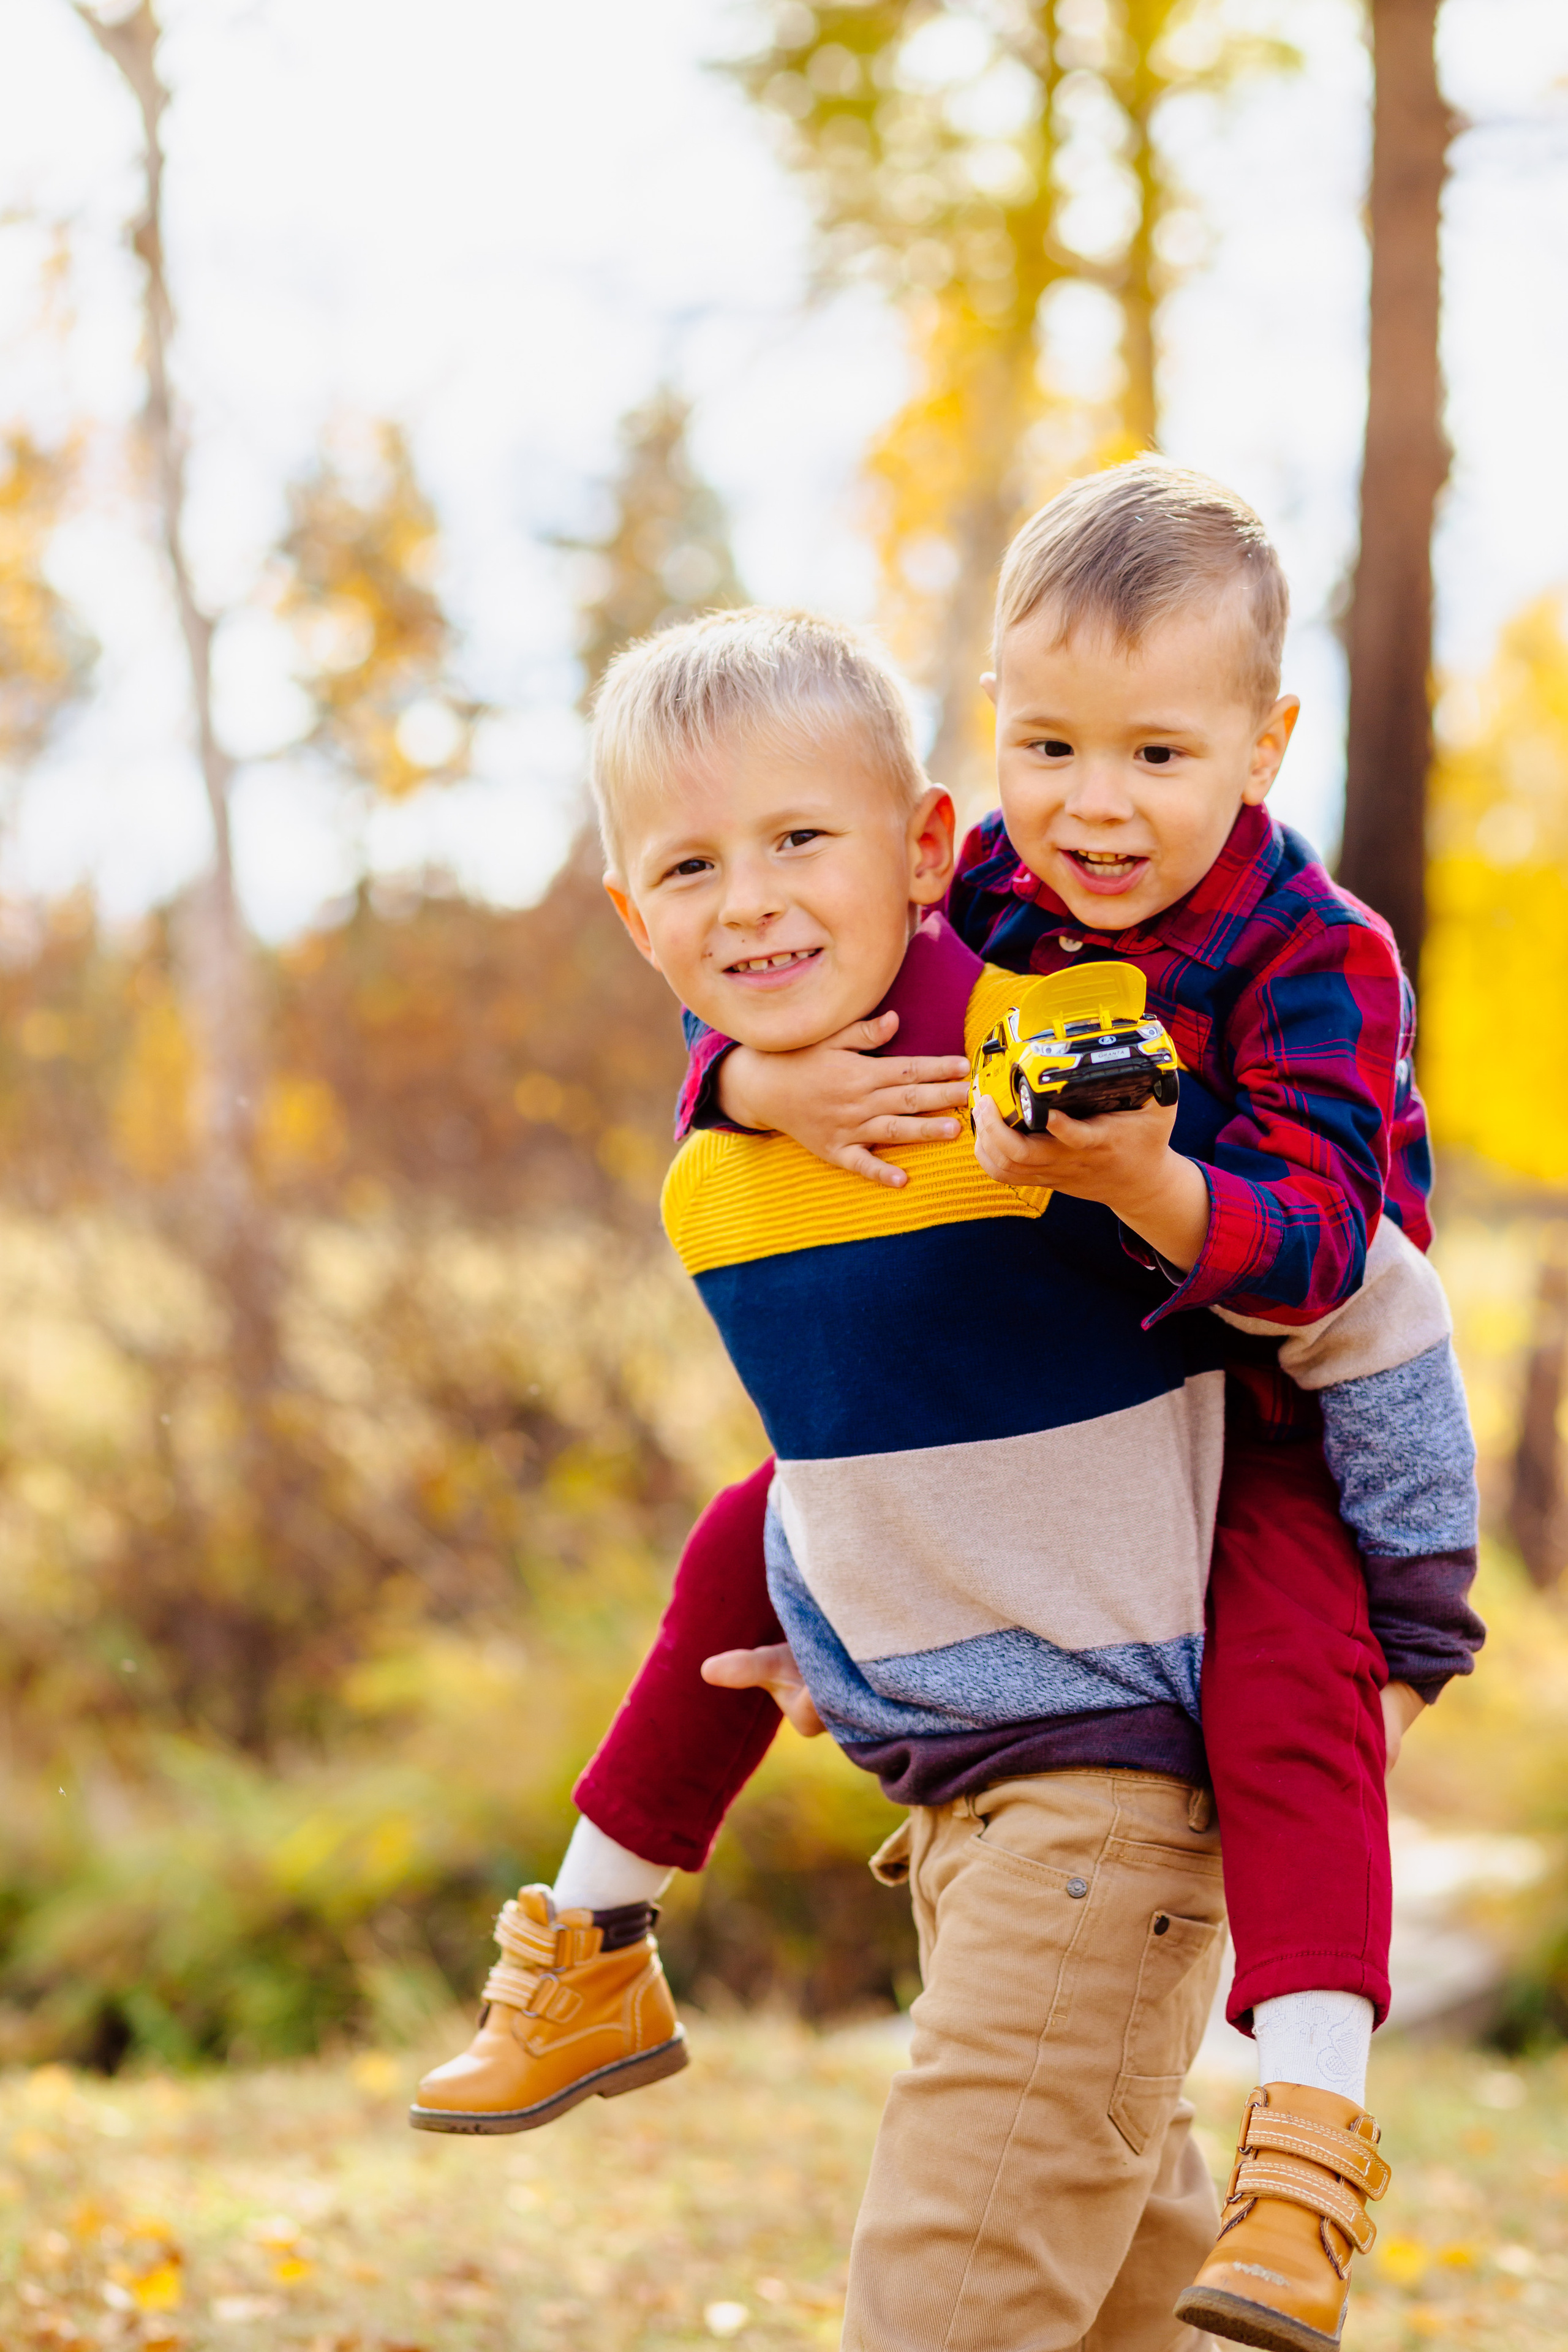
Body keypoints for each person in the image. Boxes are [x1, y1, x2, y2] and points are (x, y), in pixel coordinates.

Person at [414, 541, 1480, 2352]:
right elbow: (906, 1433)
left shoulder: (1154, 1017)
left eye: (1159, 755)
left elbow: (1356, 1282)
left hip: (1199, 1571)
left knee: (948, 2304)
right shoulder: (835, 1054)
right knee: (748, 1530)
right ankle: (593, 1945)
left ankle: (1312, 2144)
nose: (1097, 808)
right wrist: (748, 1084)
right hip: (976, 1786)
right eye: (1050, 750)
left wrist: (1421, 1606)